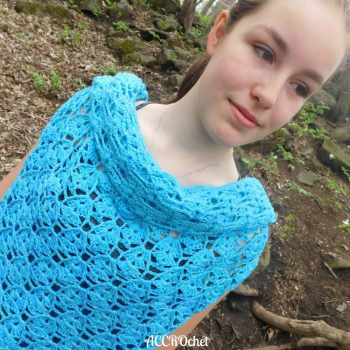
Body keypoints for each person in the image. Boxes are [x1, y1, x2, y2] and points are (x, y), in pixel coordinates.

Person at [0, 0, 348, 348]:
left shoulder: (236, 236)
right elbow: (10, 196)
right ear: (220, 32)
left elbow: (162, 339)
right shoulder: (93, 112)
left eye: (300, 87)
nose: (269, 95)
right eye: (264, 52)